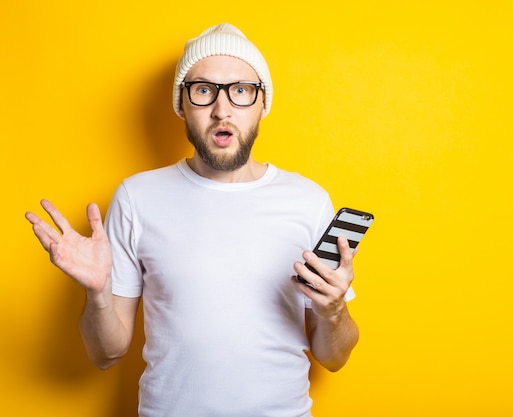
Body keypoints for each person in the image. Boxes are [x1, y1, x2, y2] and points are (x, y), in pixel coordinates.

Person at [25, 23, 359, 416]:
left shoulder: (308, 200)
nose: (222, 109)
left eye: (241, 90)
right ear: (181, 105)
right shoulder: (137, 197)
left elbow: (333, 358)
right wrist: (98, 293)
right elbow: (105, 354)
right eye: (203, 91)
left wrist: (334, 310)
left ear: (262, 103)